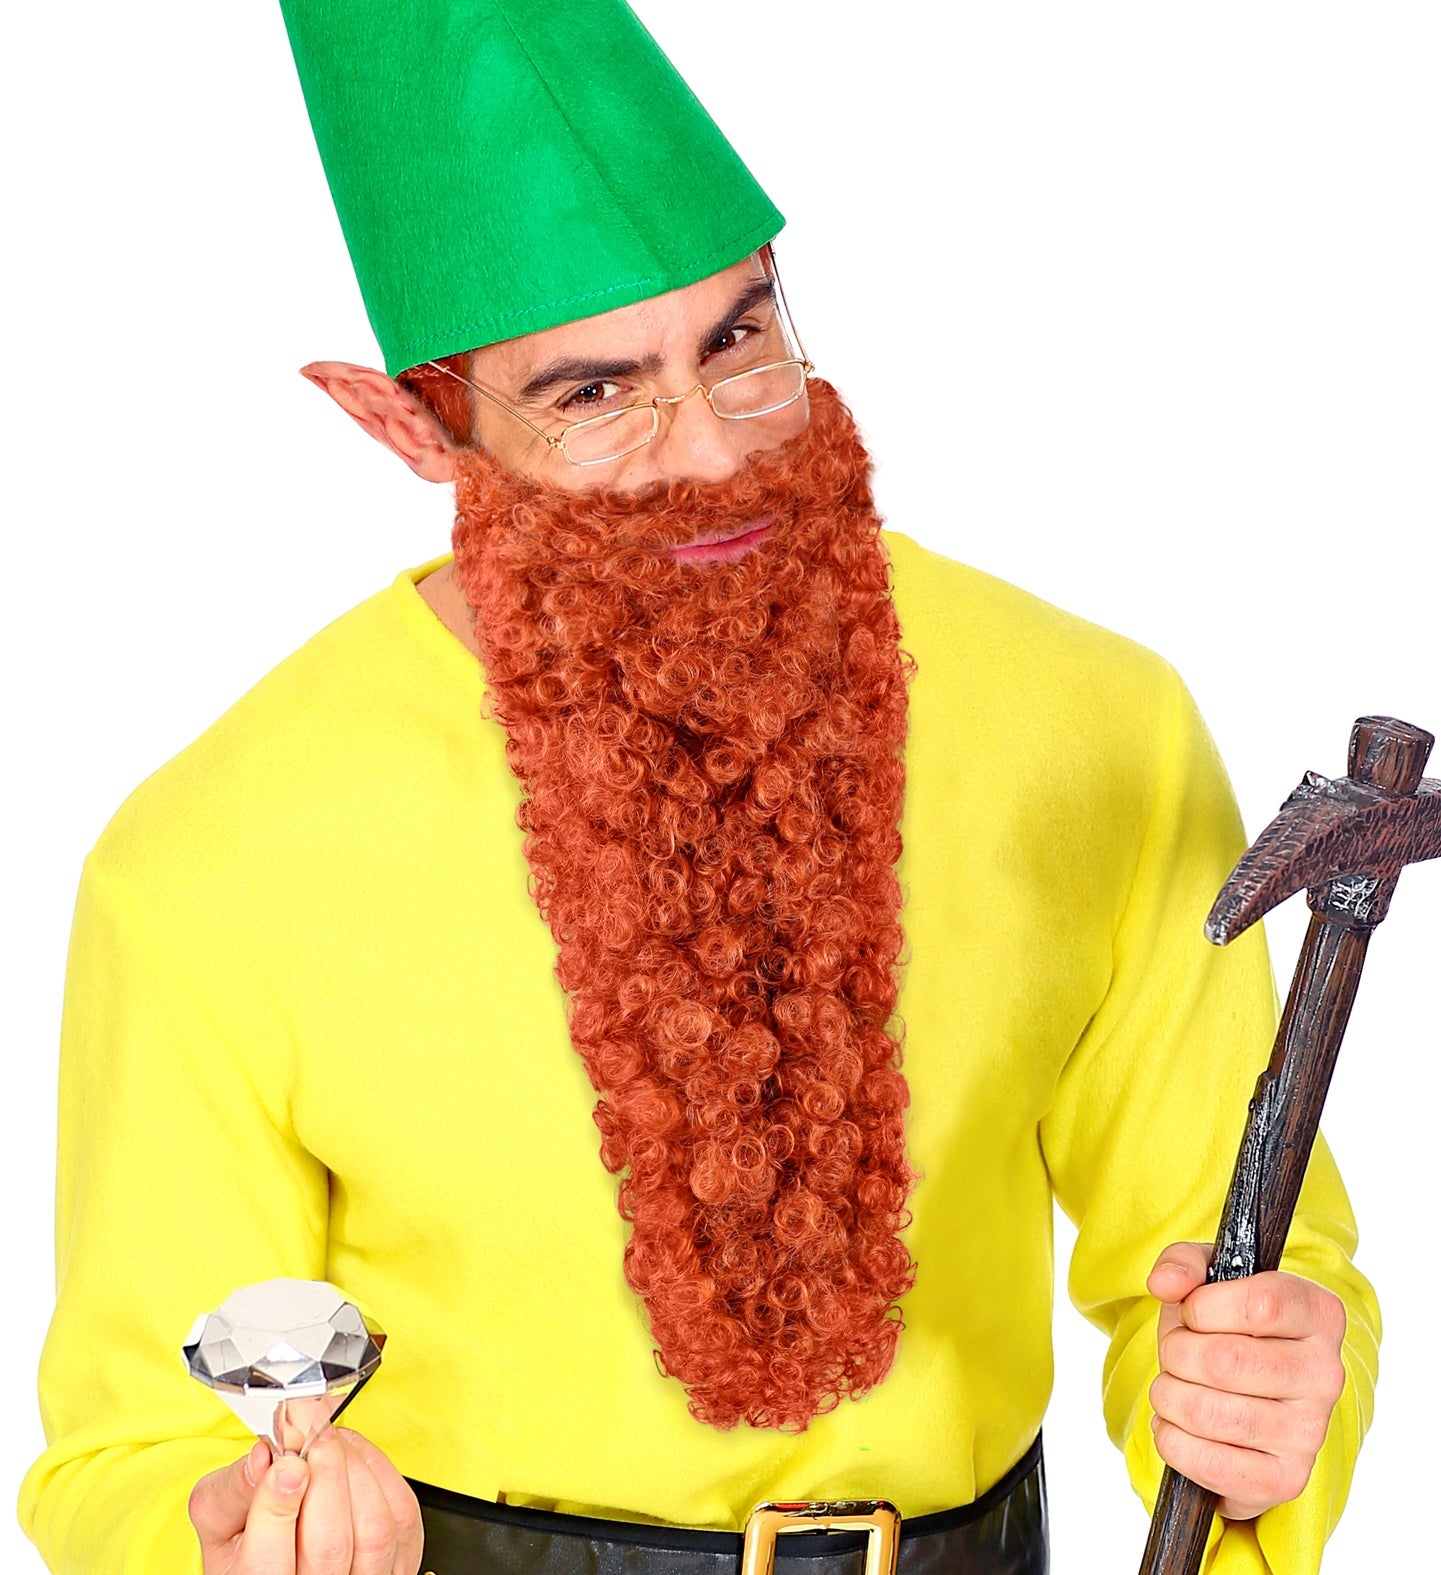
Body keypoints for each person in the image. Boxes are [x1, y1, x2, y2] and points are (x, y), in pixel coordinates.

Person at [19, 3, 1378, 1572]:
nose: (719, 460)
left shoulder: (1095, 728)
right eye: (592, 395)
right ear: (408, 422)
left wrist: (1269, 1404)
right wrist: (215, 1540)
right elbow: (132, 1448)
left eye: (737, 341)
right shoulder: (215, 857)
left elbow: (1238, 1248)